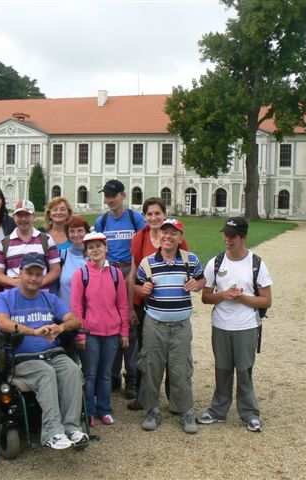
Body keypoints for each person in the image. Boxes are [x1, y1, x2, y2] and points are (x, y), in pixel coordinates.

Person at [0, 253, 88, 450]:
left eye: (38, 274)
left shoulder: (50, 298)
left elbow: (75, 320)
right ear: (20, 273)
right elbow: (1, 322)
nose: (34, 278)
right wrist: (33, 331)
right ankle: (52, 432)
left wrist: (60, 328)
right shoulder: (4, 297)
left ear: (43, 277)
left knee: (72, 370)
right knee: (46, 373)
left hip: (53, 353)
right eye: (29, 273)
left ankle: (71, 427)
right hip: (22, 359)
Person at [198, 217, 272, 433]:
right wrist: (223, 295)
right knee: (222, 369)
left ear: (243, 237)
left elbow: (266, 300)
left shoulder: (256, 264)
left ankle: (249, 413)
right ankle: (218, 410)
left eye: (233, 236)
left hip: (247, 326)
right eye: (226, 235)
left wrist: (241, 298)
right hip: (220, 325)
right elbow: (205, 297)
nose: (227, 240)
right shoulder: (216, 262)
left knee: (244, 370)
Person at [135, 218, 205, 433]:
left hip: (181, 325)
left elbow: (202, 281)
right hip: (154, 323)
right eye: (165, 232)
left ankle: (184, 410)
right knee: (151, 367)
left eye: (173, 233)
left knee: (181, 368)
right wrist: (142, 289)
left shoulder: (190, 260)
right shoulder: (147, 263)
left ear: (180, 238)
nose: (168, 236)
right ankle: (152, 410)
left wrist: (197, 284)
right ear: (160, 236)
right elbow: (136, 289)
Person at [127, 197, 190, 410]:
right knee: (147, 353)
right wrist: (130, 304)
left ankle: (175, 397)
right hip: (146, 305)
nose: (153, 217)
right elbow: (133, 275)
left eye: (157, 213)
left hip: (170, 305)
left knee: (175, 354)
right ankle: (146, 397)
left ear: (164, 214)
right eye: (149, 214)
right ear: (144, 217)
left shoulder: (173, 236)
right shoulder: (139, 238)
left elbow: (187, 267)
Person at [71, 232, 129, 426]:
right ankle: (88, 410)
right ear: (86, 251)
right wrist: (79, 333)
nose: (95, 250)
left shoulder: (115, 273)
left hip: (112, 333)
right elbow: (77, 307)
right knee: (90, 374)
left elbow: (122, 305)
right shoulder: (82, 274)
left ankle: (104, 409)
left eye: (99, 246)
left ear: (106, 248)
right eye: (91, 247)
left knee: (106, 375)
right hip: (90, 333)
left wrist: (124, 332)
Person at [94, 179, 146, 398]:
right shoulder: (102, 221)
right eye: (106, 196)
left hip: (130, 272)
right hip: (109, 274)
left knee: (131, 326)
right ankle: (112, 375)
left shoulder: (135, 218)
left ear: (122, 196)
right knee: (111, 325)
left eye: (112, 196)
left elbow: (144, 245)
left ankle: (132, 378)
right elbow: (95, 249)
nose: (109, 200)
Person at [0, 199, 61, 290]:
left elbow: (55, 270)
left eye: (27, 215)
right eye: (19, 216)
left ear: (33, 217)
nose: (23, 219)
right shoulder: (4, 243)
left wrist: (36, 284)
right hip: (14, 298)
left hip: (40, 297)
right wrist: (16, 283)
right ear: (14, 217)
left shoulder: (46, 240)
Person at [57, 215, 90, 309]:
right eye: (72, 231)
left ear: (86, 232)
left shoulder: (95, 257)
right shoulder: (61, 255)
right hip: (66, 315)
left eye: (80, 230)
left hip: (90, 316)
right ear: (67, 234)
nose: (76, 234)